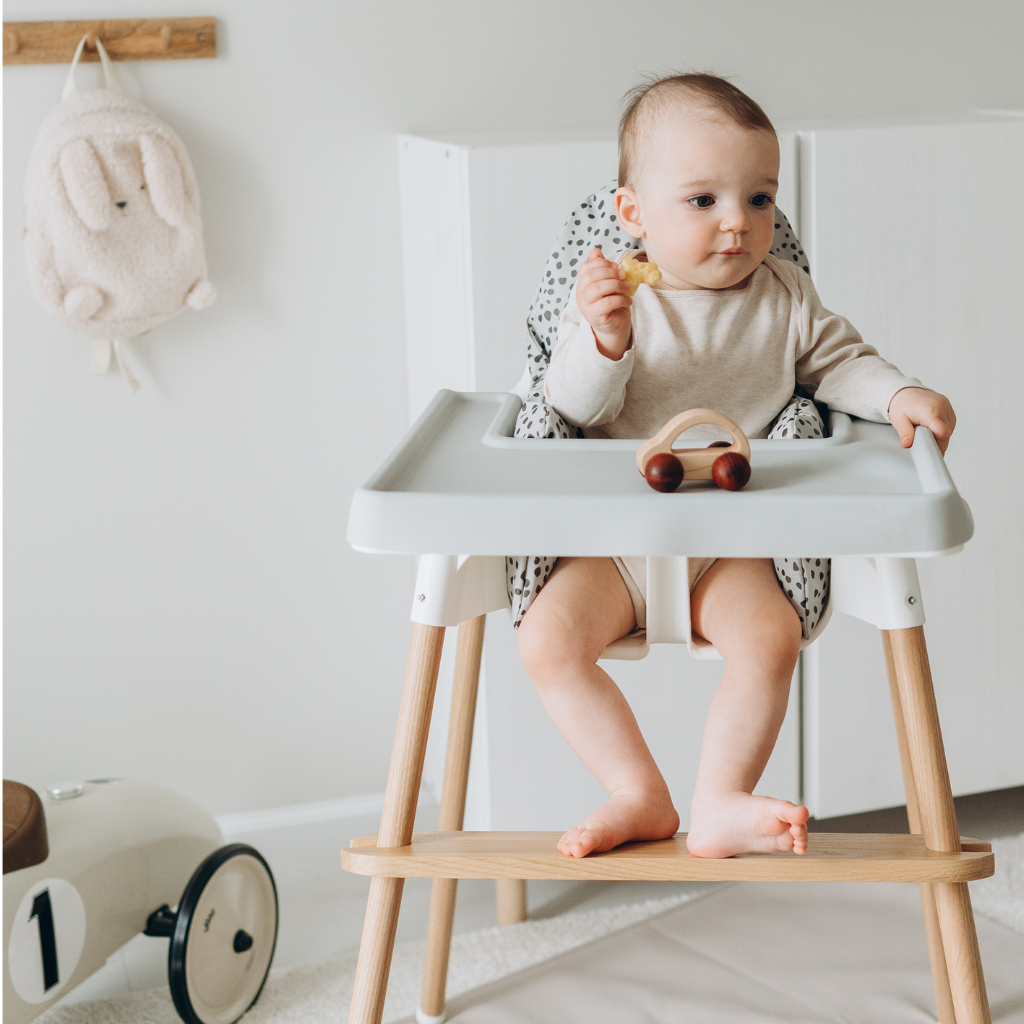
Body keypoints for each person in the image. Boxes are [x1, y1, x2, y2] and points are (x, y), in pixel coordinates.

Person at [516, 73, 956, 860]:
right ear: (633, 214)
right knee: (547, 641)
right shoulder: (615, 300)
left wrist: (899, 394)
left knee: (771, 639)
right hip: (615, 540)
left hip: (733, 540)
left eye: (760, 199)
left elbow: (840, 362)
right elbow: (570, 405)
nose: (739, 225)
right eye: (703, 201)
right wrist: (604, 339)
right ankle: (635, 790)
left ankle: (719, 798)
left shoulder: (784, 295)